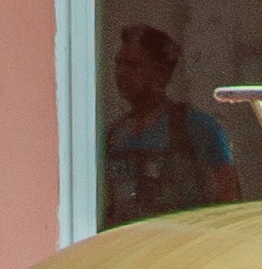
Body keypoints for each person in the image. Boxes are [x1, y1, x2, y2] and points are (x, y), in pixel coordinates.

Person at [100, 26, 241, 227]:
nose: (121, 73)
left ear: (161, 73)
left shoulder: (199, 129)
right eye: (119, 64)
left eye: (133, 65)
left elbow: (230, 200)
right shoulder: (113, 136)